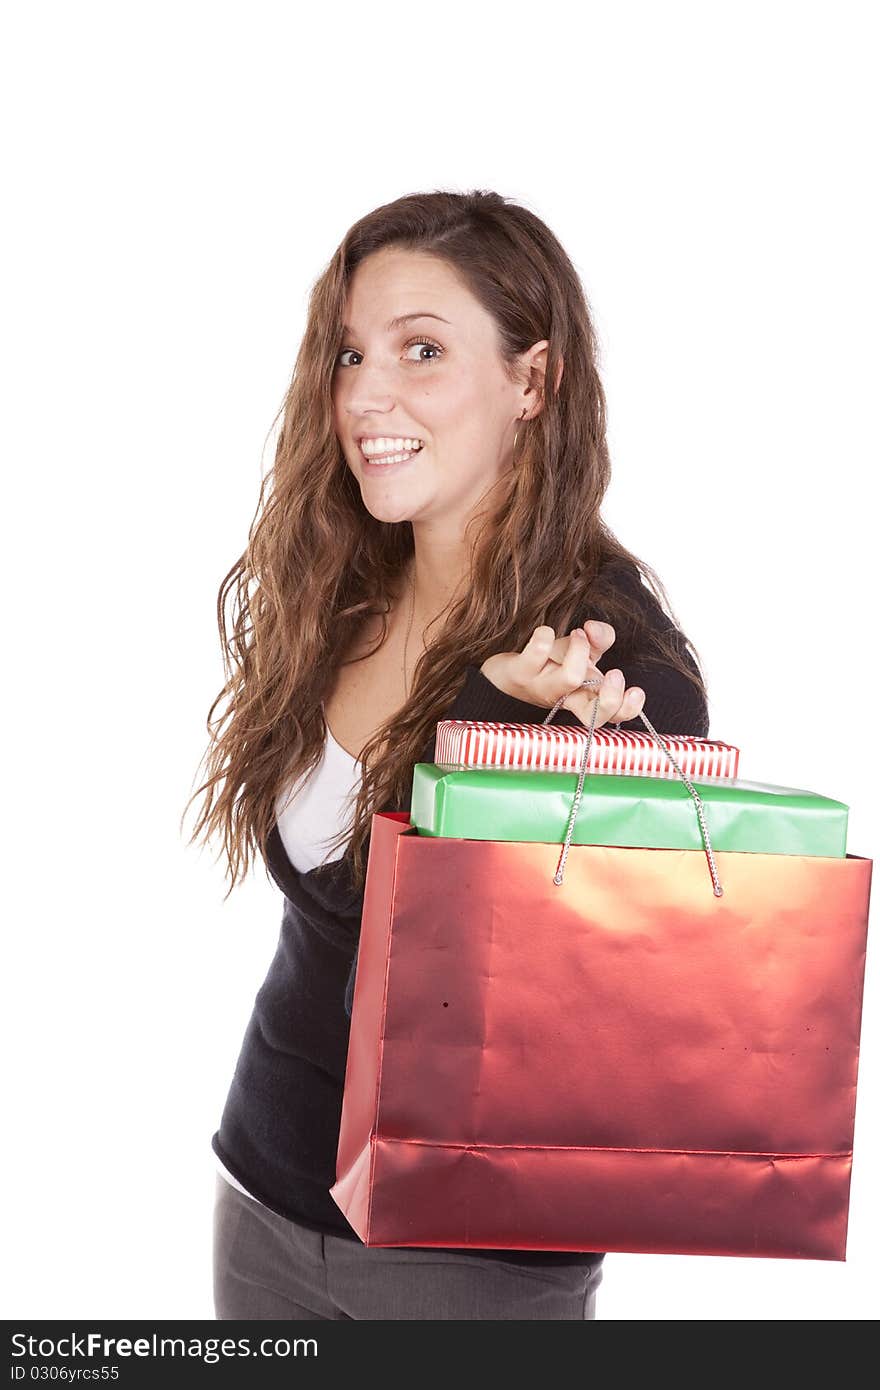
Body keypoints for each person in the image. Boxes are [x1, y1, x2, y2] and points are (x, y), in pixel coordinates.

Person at [184, 189, 710, 1321]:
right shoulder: (341, 584)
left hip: (473, 1259)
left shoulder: (608, 658)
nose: (365, 394)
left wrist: (492, 726)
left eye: (421, 350)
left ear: (533, 381)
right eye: (350, 352)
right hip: (266, 1197)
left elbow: (559, 996)